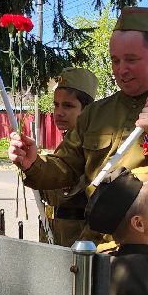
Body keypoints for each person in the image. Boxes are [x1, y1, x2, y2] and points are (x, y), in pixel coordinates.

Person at [8, 6, 148, 265]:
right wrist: (34, 164)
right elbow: (66, 166)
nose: (121, 69)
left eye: (131, 59)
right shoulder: (96, 113)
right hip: (101, 246)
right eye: (115, 60)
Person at [40, 69, 96, 247]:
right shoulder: (65, 144)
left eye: (68, 106)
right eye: (56, 105)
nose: (59, 112)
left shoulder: (92, 148)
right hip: (53, 232)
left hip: (79, 237)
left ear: (87, 110)